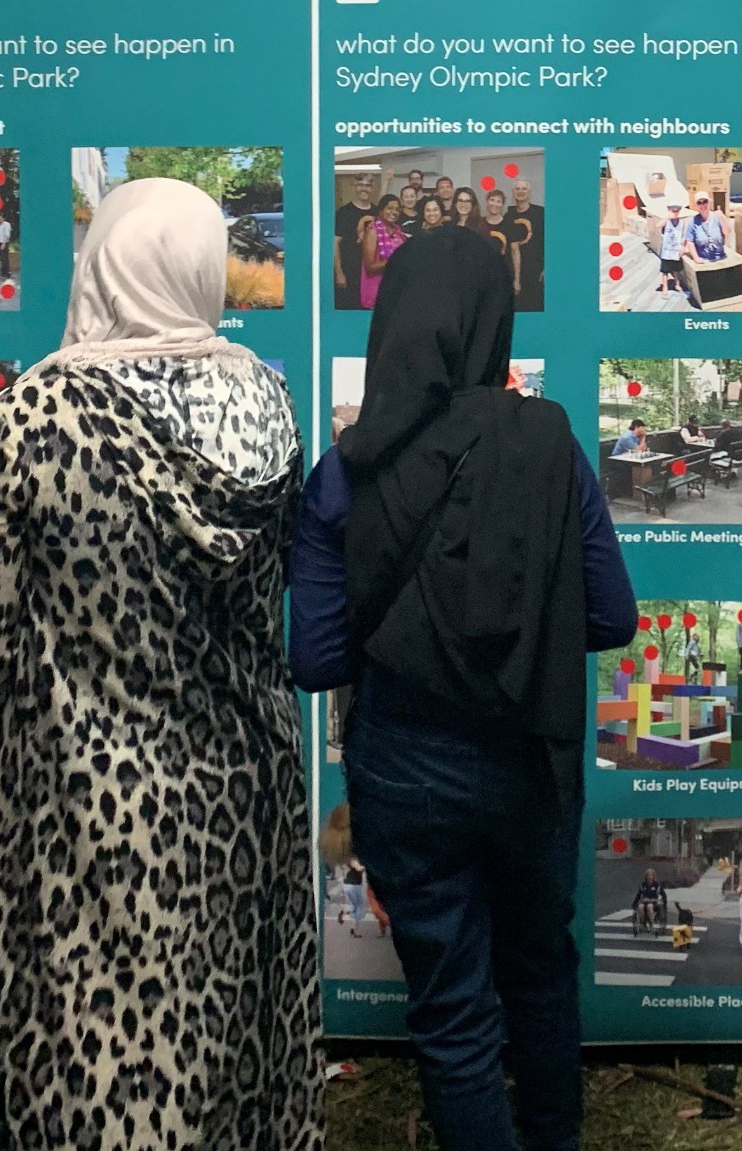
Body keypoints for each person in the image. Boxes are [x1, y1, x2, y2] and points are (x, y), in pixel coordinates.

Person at [0, 176, 320, 1148]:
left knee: (96, 1071)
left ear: (102, 258)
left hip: (85, 806)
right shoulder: (269, 404)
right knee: (233, 1057)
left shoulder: (37, 414)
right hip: (245, 791)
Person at [288, 225, 638, 1151]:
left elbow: (317, 659)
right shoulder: (552, 446)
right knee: (538, 972)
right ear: (496, 323)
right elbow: (613, 617)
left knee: (449, 1006)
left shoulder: (342, 475)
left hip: (404, 766)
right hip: (535, 758)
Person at [360, 193, 409, 309]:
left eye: (397, 209)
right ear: (381, 210)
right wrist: (396, 259)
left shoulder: (398, 232)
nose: (394, 212)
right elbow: (370, 267)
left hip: (395, 289)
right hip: (376, 290)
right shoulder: (373, 231)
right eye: (390, 208)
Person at [335, 179, 376, 307]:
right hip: (349, 274)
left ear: (372, 188)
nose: (364, 188)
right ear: (354, 187)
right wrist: (339, 273)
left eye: (368, 185)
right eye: (360, 185)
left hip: (371, 275)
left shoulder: (377, 212)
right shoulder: (343, 212)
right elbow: (334, 244)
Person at [507, 178, 545, 312]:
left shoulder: (541, 213)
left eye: (524, 189)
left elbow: (551, 242)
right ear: (513, 192)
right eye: (517, 189)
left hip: (536, 273)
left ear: (529, 192)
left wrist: (547, 267)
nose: (521, 192)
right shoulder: (508, 215)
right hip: (514, 274)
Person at [658, 202, 689, 298]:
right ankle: (665, 287)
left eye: (677, 210)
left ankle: (677, 284)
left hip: (676, 250)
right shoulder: (666, 221)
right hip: (666, 251)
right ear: (669, 210)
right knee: (665, 271)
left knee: (676, 270)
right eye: (673, 210)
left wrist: (683, 247)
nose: (675, 213)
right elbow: (658, 225)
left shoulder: (681, 222)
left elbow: (683, 236)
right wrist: (668, 217)